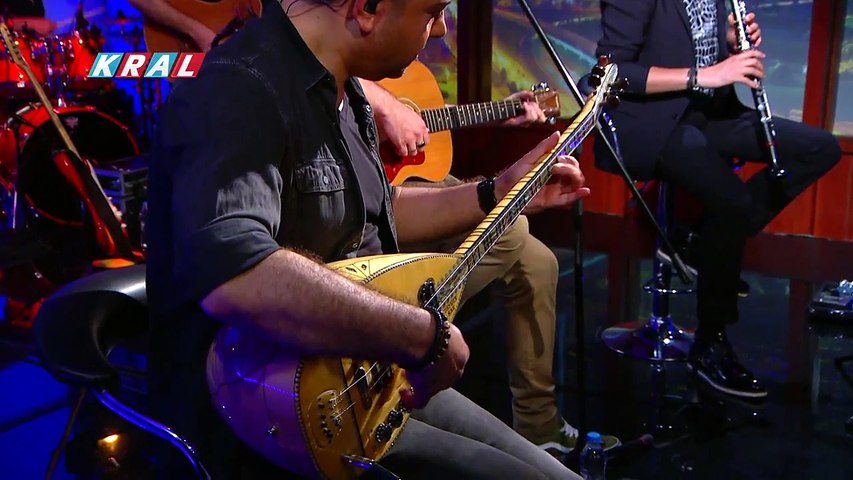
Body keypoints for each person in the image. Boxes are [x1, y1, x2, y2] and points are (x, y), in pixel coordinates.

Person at [146, 1, 591, 479]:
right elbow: (237, 274)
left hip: (365, 380)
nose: (440, 30)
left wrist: (496, 191)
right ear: (367, 9)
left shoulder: (344, 87)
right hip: (275, 424)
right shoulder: (239, 89)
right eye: (431, 12)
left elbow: (372, 207)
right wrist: (422, 335)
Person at [595, 0, 842, 399]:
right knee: (734, 203)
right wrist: (707, 74)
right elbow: (612, 72)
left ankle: (696, 241)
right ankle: (709, 344)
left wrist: (727, 45)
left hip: (711, 112)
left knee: (820, 148)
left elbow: (694, 46)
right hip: (655, 121)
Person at [364, 79, 620, 453]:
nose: (436, 35)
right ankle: (401, 340)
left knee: (539, 263)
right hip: (375, 198)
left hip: (411, 185)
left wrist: (498, 111)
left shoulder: (397, 74)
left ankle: (539, 426)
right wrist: (386, 105)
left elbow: (419, 117)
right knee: (512, 228)